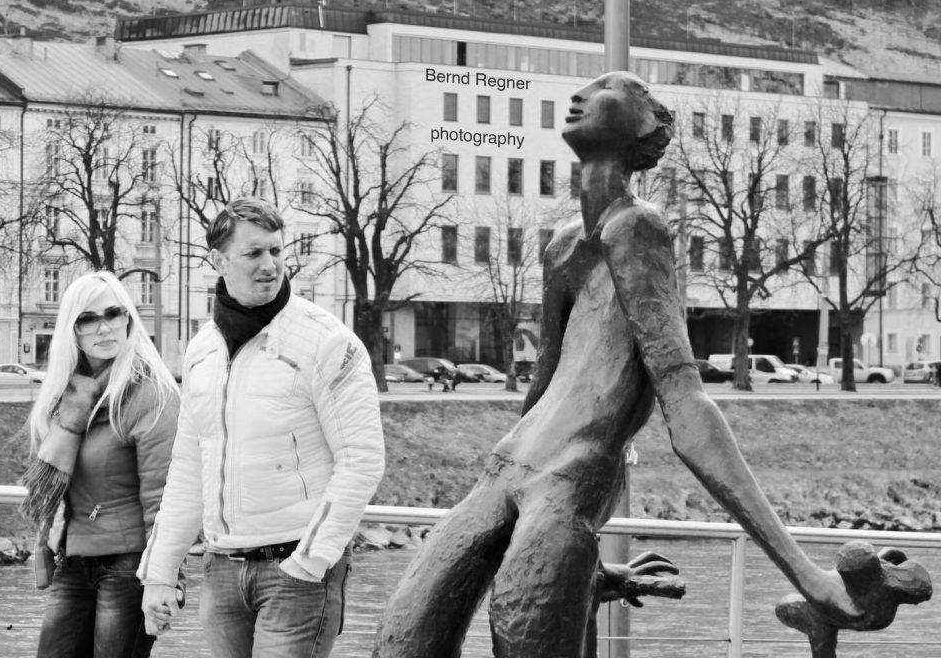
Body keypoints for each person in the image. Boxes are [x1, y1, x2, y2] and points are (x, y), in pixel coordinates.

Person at [374, 72, 876, 658]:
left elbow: (685, 402)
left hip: (570, 480)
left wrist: (805, 573)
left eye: (614, 88)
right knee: (403, 636)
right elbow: (546, 378)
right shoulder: (562, 243)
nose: (583, 94)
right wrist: (581, 572)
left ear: (641, 124)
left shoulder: (640, 227)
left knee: (520, 634)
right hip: (505, 468)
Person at [139, 196, 385, 658]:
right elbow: (190, 467)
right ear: (220, 259)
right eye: (254, 253)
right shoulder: (202, 350)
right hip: (222, 569)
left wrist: (310, 562)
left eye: (276, 250)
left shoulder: (327, 342)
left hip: (295, 571)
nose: (270, 264)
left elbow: (362, 460)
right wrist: (159, 572)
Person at [20, 271, 180, 658]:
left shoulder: (151, 394)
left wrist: (167, 578)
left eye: (113, 313)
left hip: (129, 566)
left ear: (129, 318)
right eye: (88, 319)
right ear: (71, 330)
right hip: (73, 561)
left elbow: (166, 495)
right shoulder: (70, 396)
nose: (104, 327)